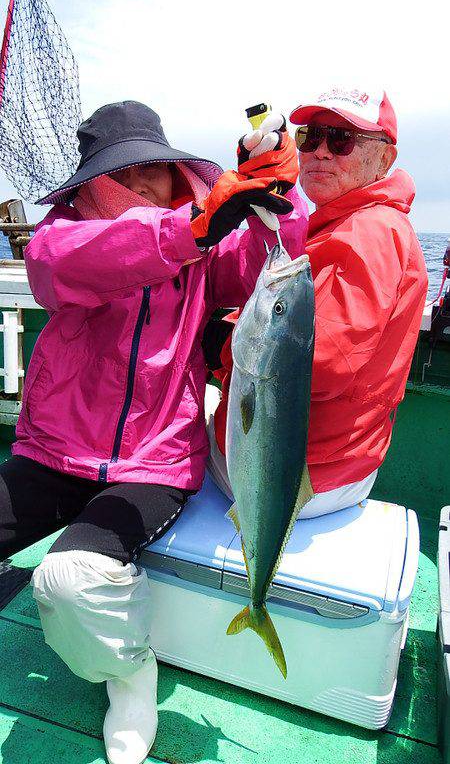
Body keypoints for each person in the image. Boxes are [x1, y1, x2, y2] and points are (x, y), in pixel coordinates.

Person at [0, 100, 307, 764]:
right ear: (86, 191)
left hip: (152, 463)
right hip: (52, 453)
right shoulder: (59, 243)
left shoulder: (200, 251)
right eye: (119, 175)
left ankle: (131, 673)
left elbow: (268, 263)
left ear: (175, 177)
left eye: (154, 172)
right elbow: (95, 258)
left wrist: (275, 192)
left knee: (69, 579)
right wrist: (190, 227)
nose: (140, 185)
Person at [207, 87, 428, 517]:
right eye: (311, 137)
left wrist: (217, 343)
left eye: (342, 140)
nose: (321, 153)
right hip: (338, 463)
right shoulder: (352, 221)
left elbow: (319, 362)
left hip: (290, 478)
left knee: (174, 414)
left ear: (384, 159)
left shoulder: (369, 233)